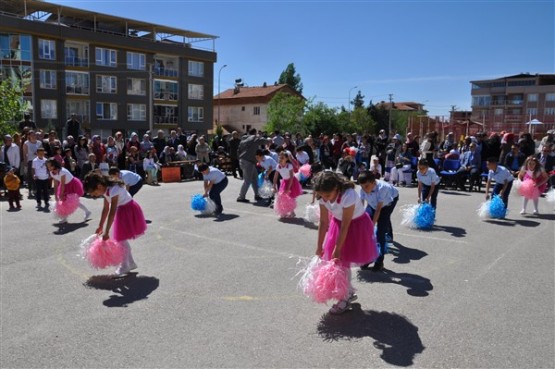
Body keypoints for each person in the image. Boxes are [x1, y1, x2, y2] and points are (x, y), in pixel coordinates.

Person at [312, 171, 378, 314]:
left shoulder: (348, 195)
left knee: (341, 260)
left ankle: (345, 298)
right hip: (338, 224)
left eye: (327, 195)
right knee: (341, 262)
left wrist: (337, 248)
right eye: (322, 195)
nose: (324, 198)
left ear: (336, 188)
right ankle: (348, 291)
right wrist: (319, 246)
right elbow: (324, 222)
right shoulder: (323, 197)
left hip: (355, 226)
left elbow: (346, 225)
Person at [84, 172, 147, 276]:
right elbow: (105, 209)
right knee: (121, 239)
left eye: (93, 193)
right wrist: (100, 226)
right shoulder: (105, 190)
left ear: (99, 186)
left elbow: (112, 212)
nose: (92, 196)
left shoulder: (114, 189)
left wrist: (107, 231)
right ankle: (130, 263)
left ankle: (125, 266)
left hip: (128, 209)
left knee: (120, 239)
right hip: (122, 209)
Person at [358, 171, 399, 272]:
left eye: (366, 186)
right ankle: (368, 257)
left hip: (387, 204)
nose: (364, 189)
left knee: (380, 232)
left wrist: (372, 225)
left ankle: (379, 261)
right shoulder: (364, 188)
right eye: (362, 187)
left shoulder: (382, 188)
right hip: (373, 204)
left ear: (373, 182)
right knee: (365, 230)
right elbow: (360, 207)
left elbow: (378, 210)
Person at [46, 158, 91, 223]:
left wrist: (61, 194)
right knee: (64, 201)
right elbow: (55, 184)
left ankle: (87, 211)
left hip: (72, 184)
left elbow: (63, 184)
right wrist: (55, 195)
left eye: (50, 166)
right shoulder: (51, 173)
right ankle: (65, 218)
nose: (48, 167)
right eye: (47, 166)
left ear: (54, 165)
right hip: (64, 185)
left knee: (73, 201)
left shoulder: (62, 171)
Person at [237, 128, 267, 202]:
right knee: (247, 181)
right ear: (254, 133)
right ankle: (241, 197)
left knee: (255, 178)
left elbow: (238, 150)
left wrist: (240, 158)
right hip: (248, 162)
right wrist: (269, 140)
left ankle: (257, 195)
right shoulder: (253, 138)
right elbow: (262, 141)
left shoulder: (243, 139)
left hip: (245, 161)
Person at [23, 130, 42, 198]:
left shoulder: (39, 142)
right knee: (30, 176)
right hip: (30, 161)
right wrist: (25, 163)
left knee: (37, 175)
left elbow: (42, 151)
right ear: (29, 136)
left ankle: (36, 189)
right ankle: (30, 190)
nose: (34, 136)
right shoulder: (26, 143)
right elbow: (25, 154)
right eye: (32, 135)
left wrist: (38, 153)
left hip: (38, 161)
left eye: (34, 135)